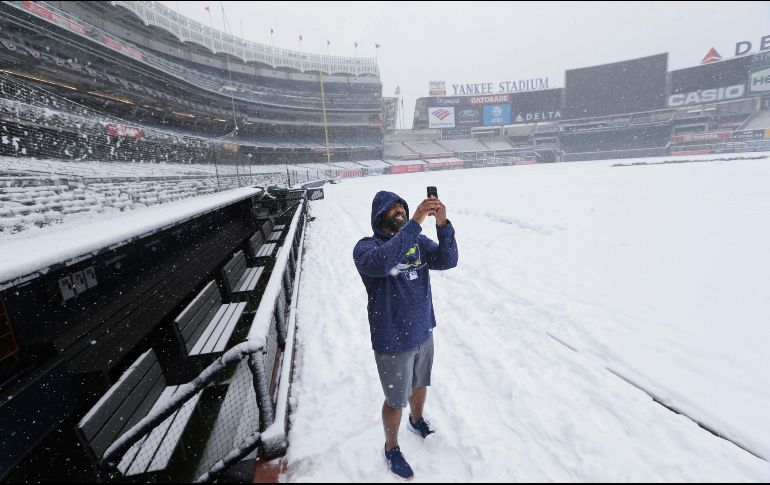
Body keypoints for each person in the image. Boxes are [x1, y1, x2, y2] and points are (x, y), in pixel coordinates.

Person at [353, 190, 458, 479]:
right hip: (392, 338)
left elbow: (448, 259)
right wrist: (415, 221)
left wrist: (442, 224)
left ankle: (417, 419)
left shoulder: (418, 242)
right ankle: (391, 447)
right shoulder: (366, 247)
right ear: (379, 214)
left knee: (420, 383)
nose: (400, 208)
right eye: (393, 206)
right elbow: (384, 262)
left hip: (423, 328)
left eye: (403, 205)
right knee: (395, 399)